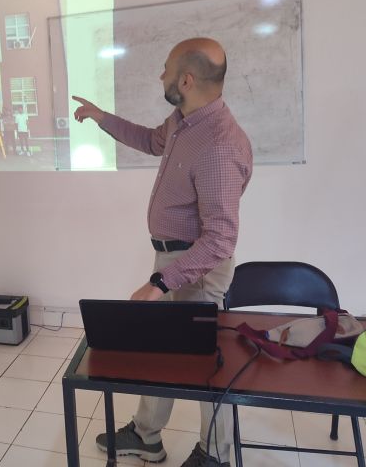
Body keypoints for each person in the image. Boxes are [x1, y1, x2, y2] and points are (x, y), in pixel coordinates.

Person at [73, 38, 253, 467]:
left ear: (186, 80)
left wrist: (159, 282)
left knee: (206, 362)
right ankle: (146, 435)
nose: (161, 75)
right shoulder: (183, 121)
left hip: (198, 267)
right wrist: (102, 118)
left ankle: (216, 456)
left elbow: (220, 240)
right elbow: (152, 140)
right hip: (174, 259)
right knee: (161, 351)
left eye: (166, 69)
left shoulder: (219, 145)